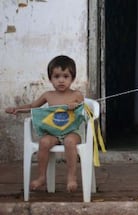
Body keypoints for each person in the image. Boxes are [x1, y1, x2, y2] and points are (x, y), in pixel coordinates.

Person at [5, 55, 84, 193]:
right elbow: (33, 106)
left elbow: (82, 106)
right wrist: (17, 109)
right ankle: (41, 177)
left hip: (71, 132)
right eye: (56, 76)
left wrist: (75, 104)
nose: (61, 80)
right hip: (53, 133)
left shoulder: (76, 94)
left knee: (70, 141)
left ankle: (71, 177)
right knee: (43, 142)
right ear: (50, 78)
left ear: (72, 78)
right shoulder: (48, 95)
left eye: (65, 76)